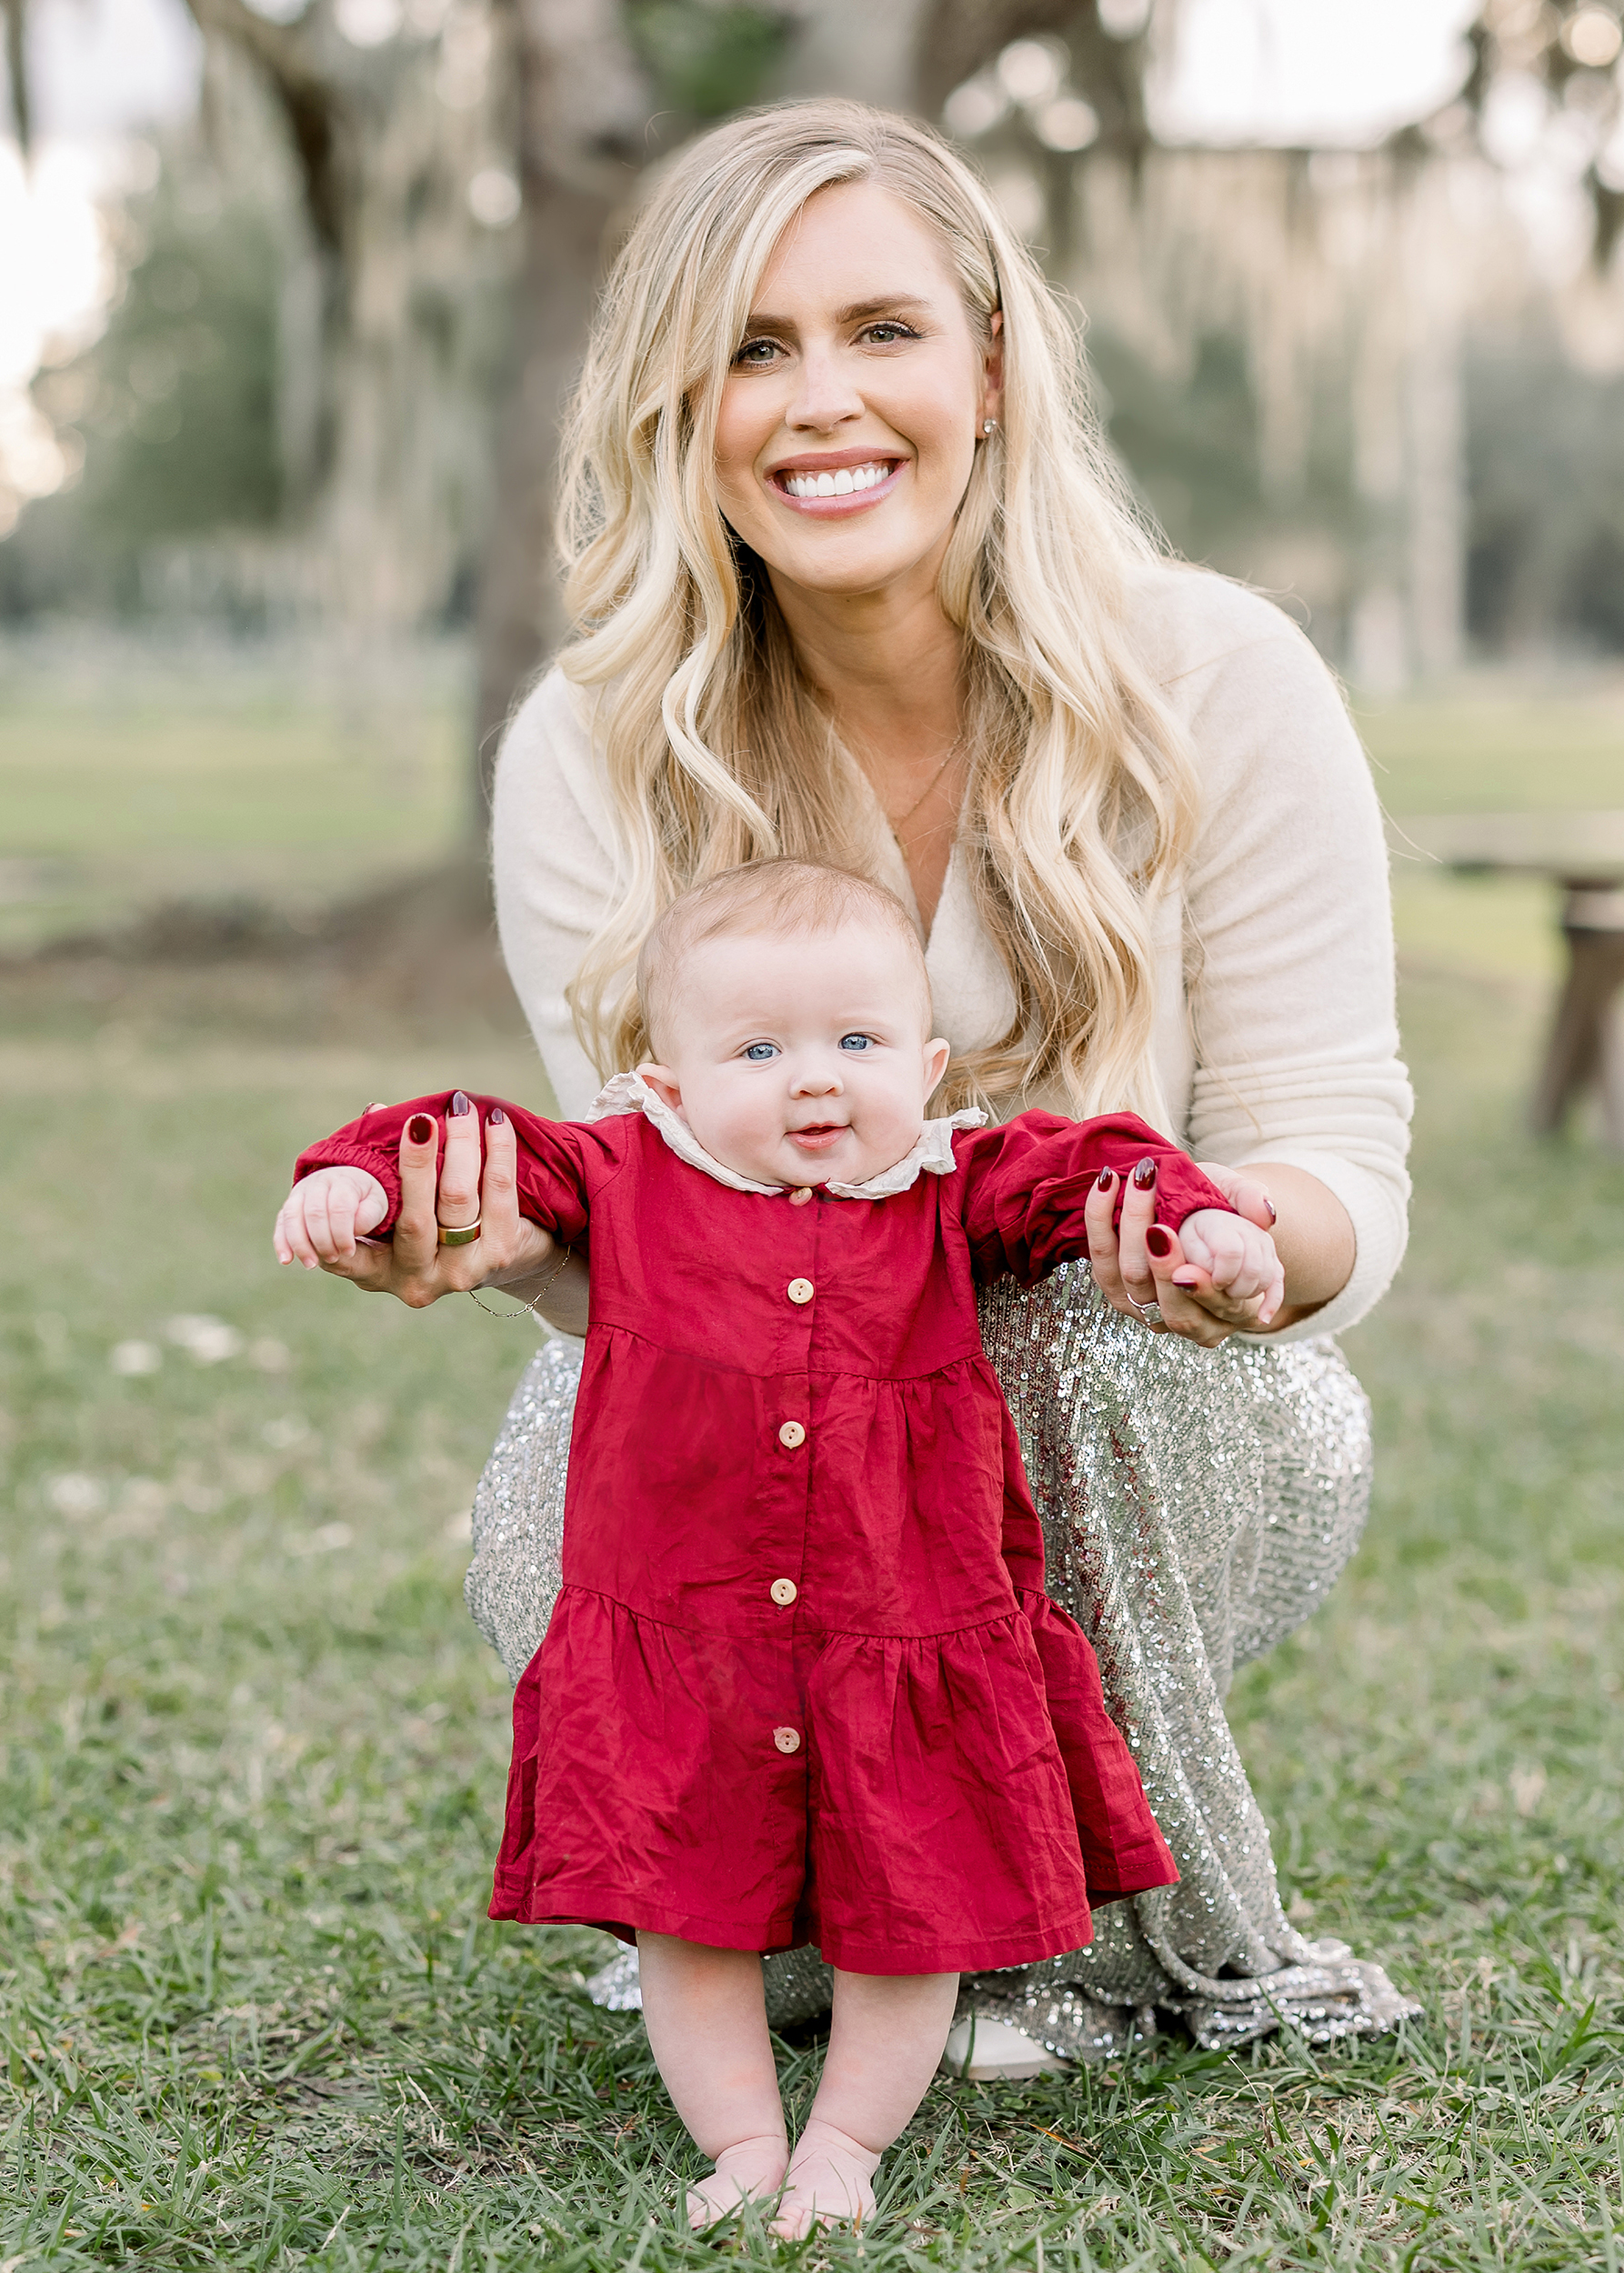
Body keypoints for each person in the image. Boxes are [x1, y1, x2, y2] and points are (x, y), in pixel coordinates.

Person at [286, 99, 1417, 2068]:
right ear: (675, 404)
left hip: (1179, 1405)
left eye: (881, 330)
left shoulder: (1215, 674)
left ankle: (1069, 1928)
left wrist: (1233, 1247)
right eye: (750, 345)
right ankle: (773, 1900)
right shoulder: (593, 748)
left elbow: (1336, 1144)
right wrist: (488, 1244)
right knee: (595, 1429)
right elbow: (650, 1229)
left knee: (1047, 1333)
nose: (822, 404)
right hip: (763, 1414)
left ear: (988, 360)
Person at [277, 859, 1287, 2231]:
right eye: (758, 1050)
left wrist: (1199, 1219)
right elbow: (472, 1138)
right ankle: (743, 2142)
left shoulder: (946, 1187)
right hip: (685, 1637)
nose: (816, 1081)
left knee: (909, 1903)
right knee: (685, 1914)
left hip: (908, 1622)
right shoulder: (626, 1172)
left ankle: (847, 2146)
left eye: (857, 1043)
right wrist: (358, 1180)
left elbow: (1085, 1166)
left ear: (925, 1066)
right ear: (665, 1080)